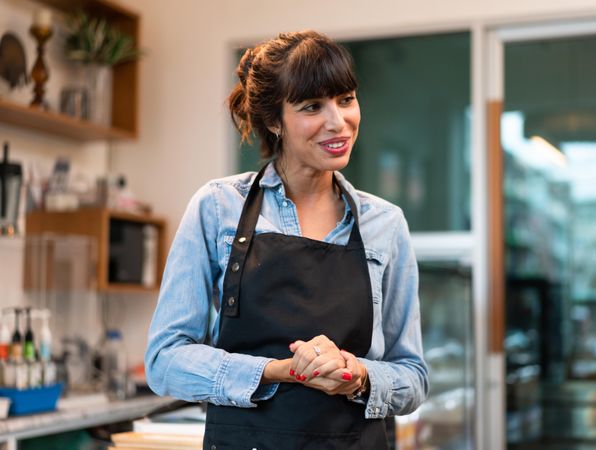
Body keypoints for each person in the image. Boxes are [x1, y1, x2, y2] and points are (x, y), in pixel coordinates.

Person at [145, 30, 428, 450]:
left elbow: (413, 376)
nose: (338, 121)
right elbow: (164, 360)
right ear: (274, 120)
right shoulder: (218, 208)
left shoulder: (385, 224)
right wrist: (278, 371)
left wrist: (357, 374)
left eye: (346, 99)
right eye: (312, 106)